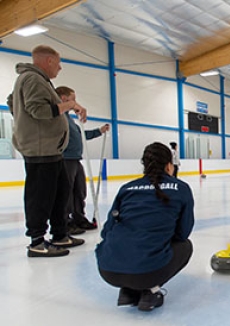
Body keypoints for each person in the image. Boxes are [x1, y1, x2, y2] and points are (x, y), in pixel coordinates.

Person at [96, 142, 194, 312]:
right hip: (147, 272)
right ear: (169, 166)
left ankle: (128, 290)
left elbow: (107, 230)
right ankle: (150, 291)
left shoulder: (126, 188)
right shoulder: (181, 188)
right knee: (185, 247)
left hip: (108, 269)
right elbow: (182, 233)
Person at [8, 45, 86, 257]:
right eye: (58, 63)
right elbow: (39, 110)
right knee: (40, 196)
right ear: (49, 61)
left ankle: (60, 234)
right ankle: (37, 241)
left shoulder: (39, 80)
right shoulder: (32, 79)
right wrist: (68, 105)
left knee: (60, 194)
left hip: (51, 149)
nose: (59, 68)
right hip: (40, 149)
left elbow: (12, 102)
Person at [55, 86, 110, 234]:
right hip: (65, 158)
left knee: (79, 190)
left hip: (75, 159)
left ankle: (79, 218)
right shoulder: (58, 116)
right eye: (72, 99)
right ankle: (65, 221)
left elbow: (82, 136)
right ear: (63, 98)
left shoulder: (70, 119)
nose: (75, 103)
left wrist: (99, 131)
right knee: (66, 193)